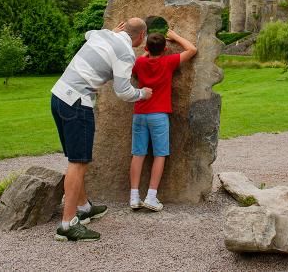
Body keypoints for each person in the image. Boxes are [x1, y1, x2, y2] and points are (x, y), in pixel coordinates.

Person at [50, 18, 153, 242]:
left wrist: (111, 31)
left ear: (123, 28)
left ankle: (84, 207)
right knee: (79, 162)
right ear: (142, 36)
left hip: (58, 96)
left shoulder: (101, 35)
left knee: (75, 159)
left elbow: (88, 33)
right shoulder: (126, 53)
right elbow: (123, 91)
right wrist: (143, 93)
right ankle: (68, 225)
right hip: (77, 103)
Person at [129, 29, 197, 212]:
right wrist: (175, 36)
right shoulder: (168, 61)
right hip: (159, 115)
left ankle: (134, 196)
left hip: (140, 113)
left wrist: (145, 53)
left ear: (146, 47)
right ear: (165, 48)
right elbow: (192, 50)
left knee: (138, 153)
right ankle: (151, 196)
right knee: (160, 154)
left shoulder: (140, 63)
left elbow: (136, 66)